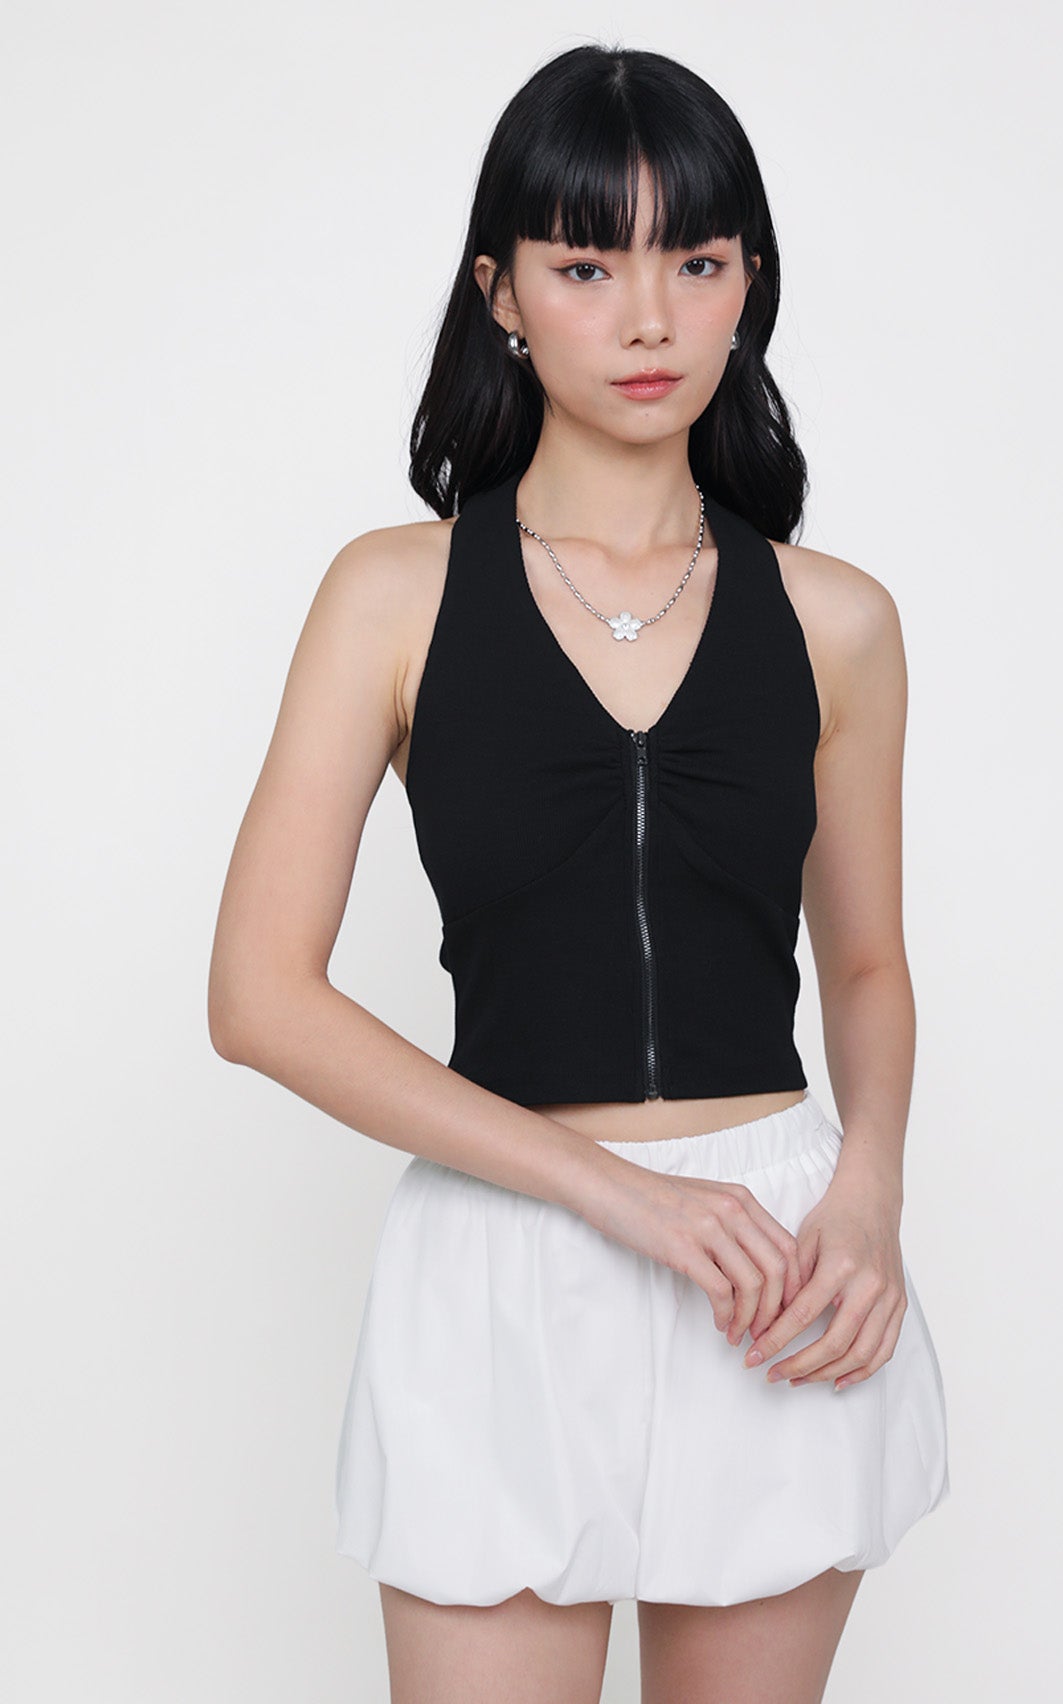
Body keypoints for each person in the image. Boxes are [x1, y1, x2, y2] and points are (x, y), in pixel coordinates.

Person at [208, 40, 949, 1704]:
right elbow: (256, 998)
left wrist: (871, 1191)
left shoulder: (839, 620)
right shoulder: (389, 596)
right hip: (500, 1257)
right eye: (587, 264)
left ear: (748, 285)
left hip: (779, 1270)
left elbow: (868, 965)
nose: (649, 317)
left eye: (698, 261)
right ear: (502, 294)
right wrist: (613, 1192)